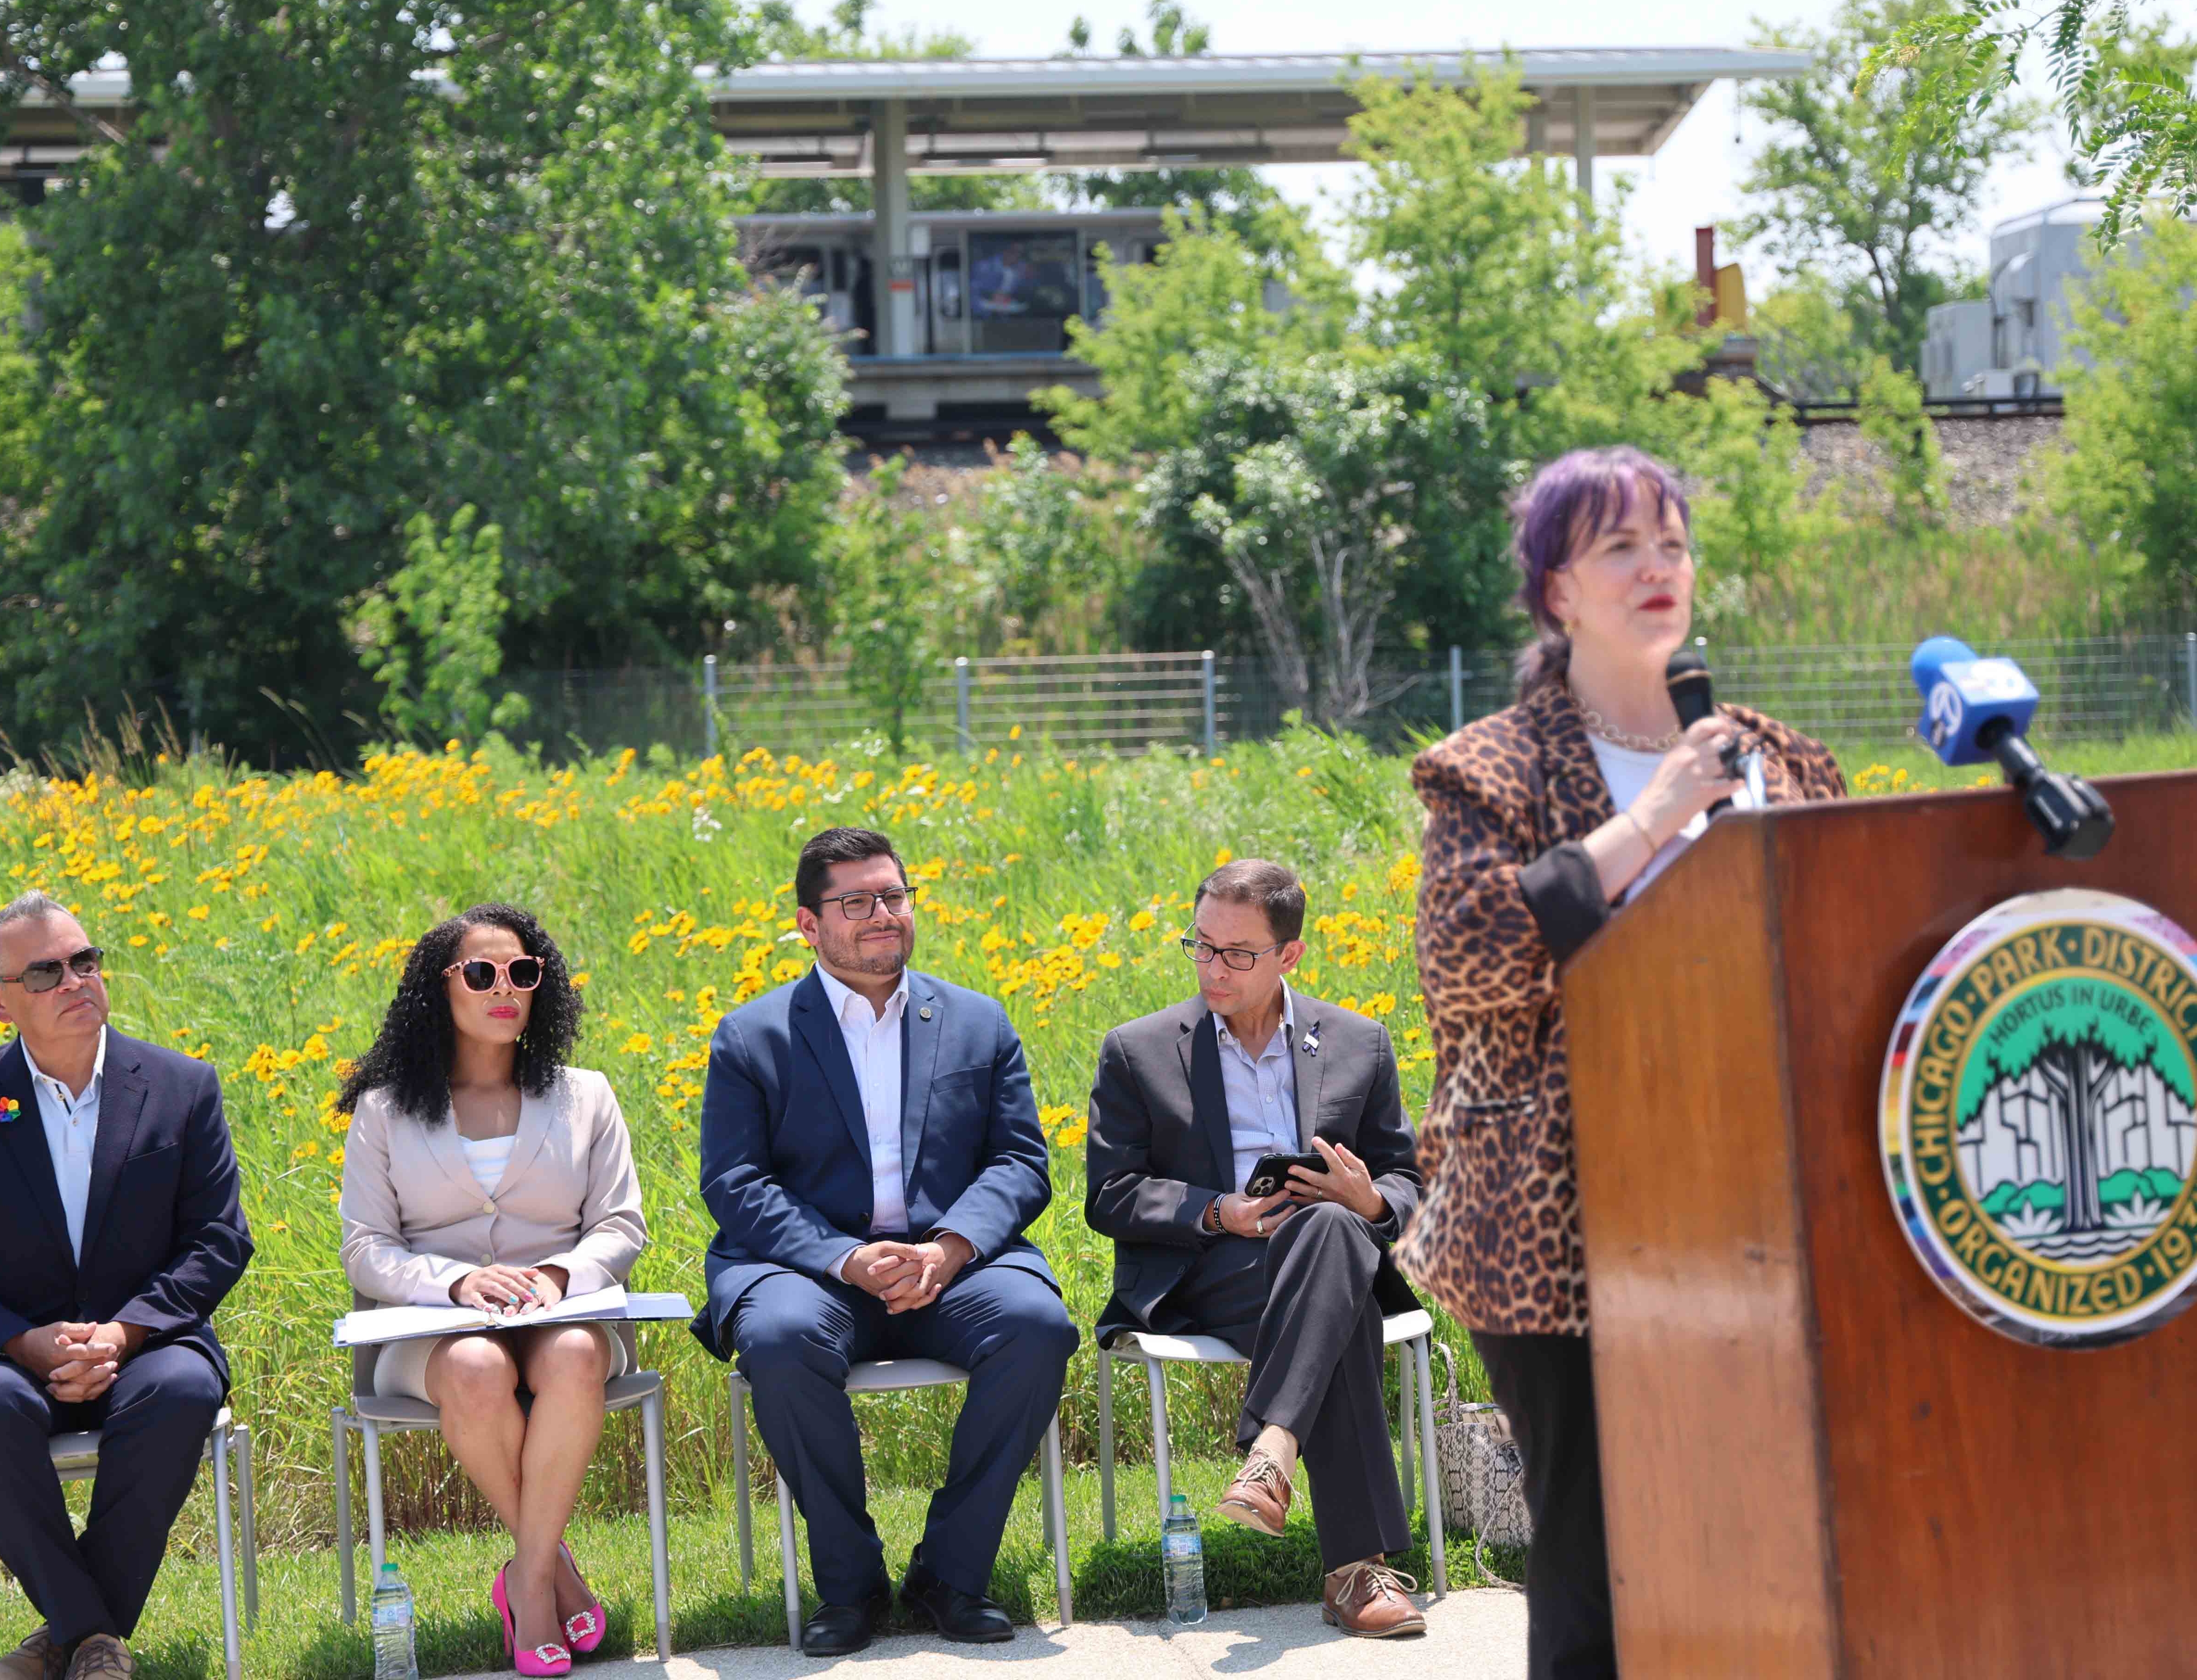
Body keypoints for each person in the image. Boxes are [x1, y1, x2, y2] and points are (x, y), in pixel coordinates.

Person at [1399, 446, 1846, 1679]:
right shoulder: (1487, 767)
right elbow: (1469, 957)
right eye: (1619, 548)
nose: (1658, 567)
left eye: (1673, 542)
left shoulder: (1786, 761)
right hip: (1557, 1226)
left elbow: (1856, 928)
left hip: (1774, 1204)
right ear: (1557, 590)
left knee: (1775, 1541)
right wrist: (1654, 822)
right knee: (1605, 1559)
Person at [695, 826, 1075, 1656]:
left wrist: (950, 1249)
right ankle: (850, 1586)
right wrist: (846, 1258)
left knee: (1036, 1326)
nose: (881, 914)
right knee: (781, 1338)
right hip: (814, 1274)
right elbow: (734, 1183)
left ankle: (951, 1573)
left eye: (894, 896)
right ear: (808, 923)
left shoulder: (977, 1021)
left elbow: (1020, 1162)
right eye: (856, 901)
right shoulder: (753, 1035)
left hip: (953, 1268)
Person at [0, 891, 252, 1680]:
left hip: (144, 1345)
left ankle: (67, 1641)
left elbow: (220, 1240)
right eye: (46, 971)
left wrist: (125, 1332)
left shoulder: (183, 1088)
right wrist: (24, 1340)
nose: (75, 980)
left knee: (186, 1388)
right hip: (0, 1353)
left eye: (85, 961)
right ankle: (92, 1637)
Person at [1084, 859, 1428, 1639]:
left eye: (1238, 954)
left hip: (1326, 1256)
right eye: (1201, 947)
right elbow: (1109, 1196)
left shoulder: (1358, 1043)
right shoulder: (1138, 1050)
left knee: (1334, 1231)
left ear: (1289, 956)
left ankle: (1272, 1450)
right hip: (1212, 1270)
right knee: (1337, 1292)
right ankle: (1354, 1572)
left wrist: (1368, 1198)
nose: (1214, 968)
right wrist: (1220, 1213)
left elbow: (1407, 1178)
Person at [338, 904, 645, 1678]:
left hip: (562, 1315)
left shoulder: (588, 1095)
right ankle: (550, 1582)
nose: (503, 988)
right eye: (481, 973)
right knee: (477, 1368)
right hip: (430, 1333)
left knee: (575, 1356)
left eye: (522, 972)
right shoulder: (383, 1110)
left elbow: (620, 1225)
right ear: (438, 990)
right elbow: (366, 1249)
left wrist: (556, 1275)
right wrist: (457, 1281)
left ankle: (528, 1581)